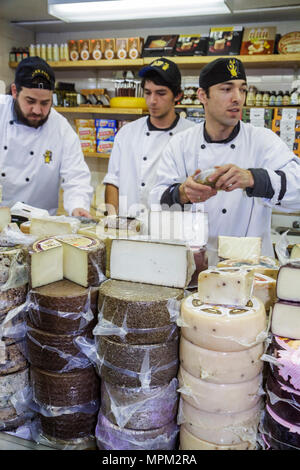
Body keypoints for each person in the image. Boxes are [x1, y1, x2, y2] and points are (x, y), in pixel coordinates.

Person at [150, 57, 300, 256]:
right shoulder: (180, 144)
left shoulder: (262, 141)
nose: (237, 98)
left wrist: (254, 178)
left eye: (242, 89)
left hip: (249, 269)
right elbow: (155, 201)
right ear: (203, 95)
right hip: (193, 267)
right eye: (227, 89)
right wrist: (183, 193)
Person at [0, 56, 93, 217]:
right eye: (30, 101)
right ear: (15, 91)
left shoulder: (61, 129)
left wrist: (78, 206)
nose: (37, 110)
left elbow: (76, 177)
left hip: (40, 225)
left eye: (45, 103)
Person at [103, 58, 195, 218]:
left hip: (172, 229)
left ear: (178, 95)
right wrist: (112, 220)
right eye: (147, 92)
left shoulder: (192, 135)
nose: (152, 101)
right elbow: (113, 181)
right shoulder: (127, 133)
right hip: (128, 228)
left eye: (161, 93)